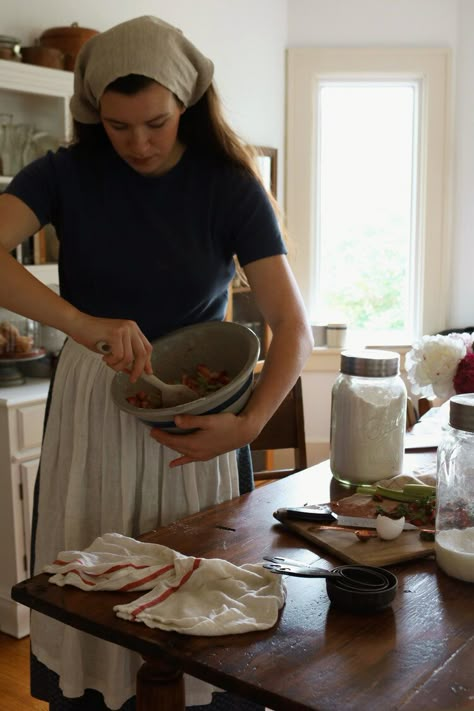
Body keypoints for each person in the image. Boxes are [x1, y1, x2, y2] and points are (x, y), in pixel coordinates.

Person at [0, 15, 313, 711]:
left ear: (187, 106)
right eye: (117, 125)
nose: (138, 143)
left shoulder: (230, 185)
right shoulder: (63, 173)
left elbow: (293, 325)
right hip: (92, 401)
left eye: (156, 122)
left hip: (201, 411)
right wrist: (82, 324)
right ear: (92, 114)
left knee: (197, 590)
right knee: (94, 577)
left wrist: (250, 424)